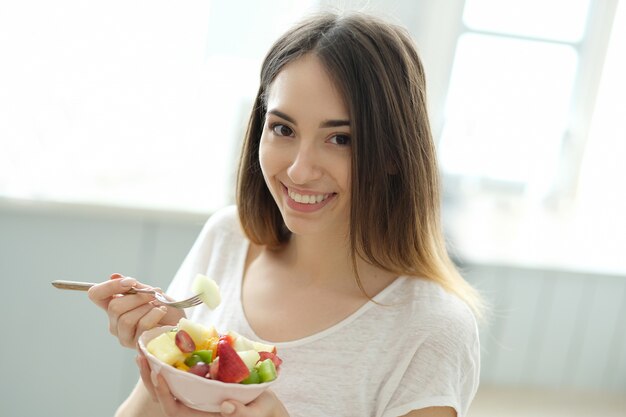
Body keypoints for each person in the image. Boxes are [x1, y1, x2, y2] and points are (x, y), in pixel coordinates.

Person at [88, 11, 483, 417]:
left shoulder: (433, 330)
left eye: (340, 139)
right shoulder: (228, 237)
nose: (299, 170)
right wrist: (167, 358)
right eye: (283, 129)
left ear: (394, 156)